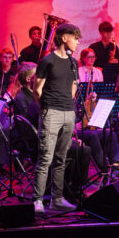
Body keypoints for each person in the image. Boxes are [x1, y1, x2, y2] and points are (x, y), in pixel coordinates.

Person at [32, 23, 81, 213]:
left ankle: (57, 199)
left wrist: (69, 101)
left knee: (62, 158)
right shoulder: (48, 61)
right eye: (74, 37)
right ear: (63, 38)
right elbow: (37, 90)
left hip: (69, 112)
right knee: (46, 157)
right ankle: (37, 200)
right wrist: (45, 108)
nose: (77, 42)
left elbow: (74, 85)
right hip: (51, 112)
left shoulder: (73, 62)